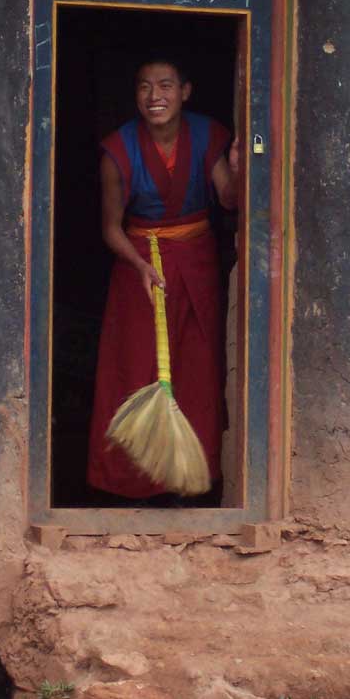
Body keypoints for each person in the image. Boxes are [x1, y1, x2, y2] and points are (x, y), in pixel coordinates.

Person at [87, 57, 238, 502]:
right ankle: (132, 481)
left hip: (196, 261)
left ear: (185, 91)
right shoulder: (118, 149)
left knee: (196, 366)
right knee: (136, 366)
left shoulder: (207, 136)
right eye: (145, 86)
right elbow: (111, 227)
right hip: (140, 265)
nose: (155, 96)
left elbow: (228, 199)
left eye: (166, 85)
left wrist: (241, 168)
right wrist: (139, 264)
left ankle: (191, 479)